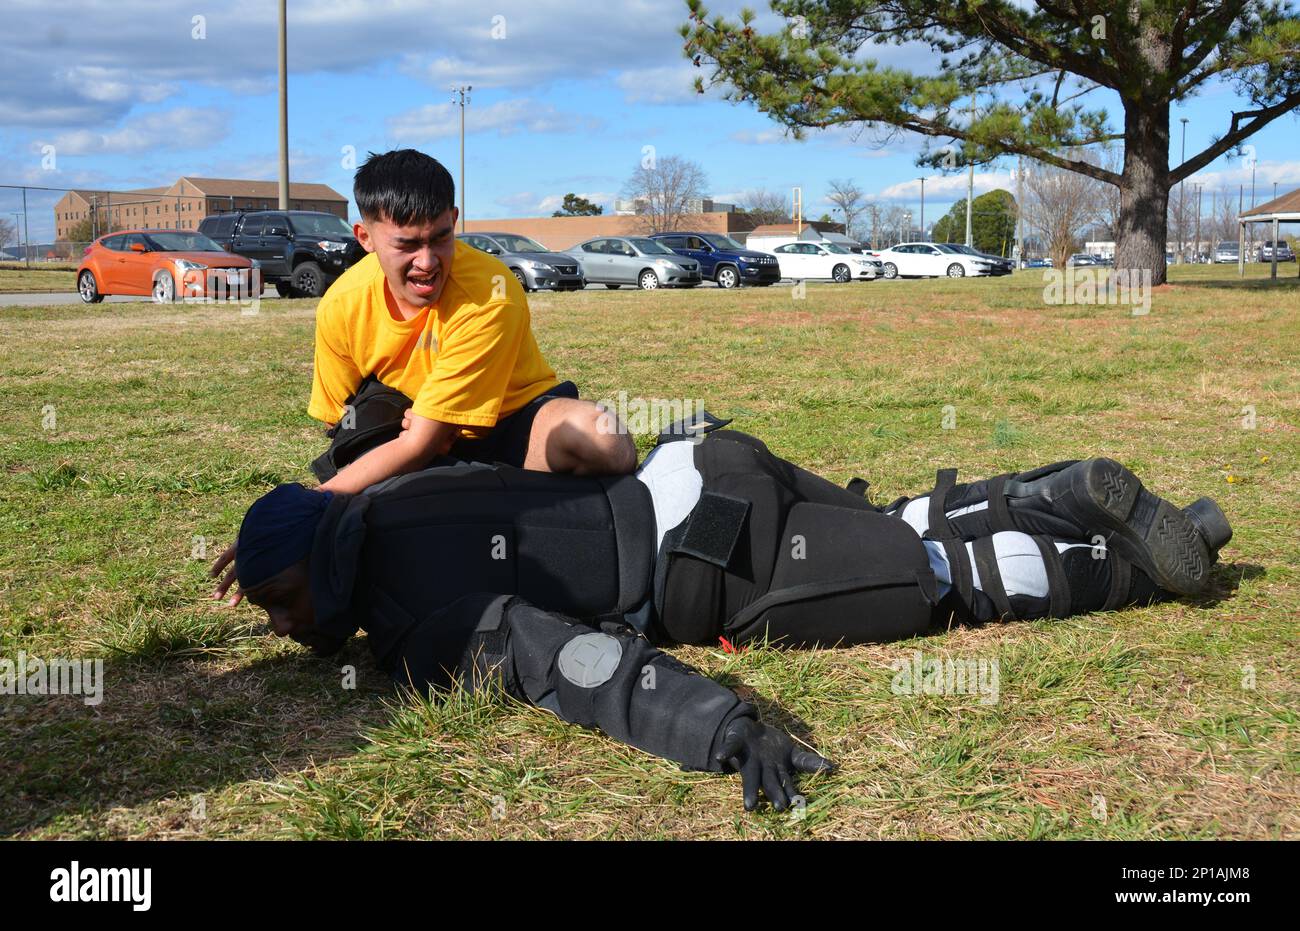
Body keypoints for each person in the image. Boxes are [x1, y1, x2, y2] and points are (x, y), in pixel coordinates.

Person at [229, 414, 1232, 811]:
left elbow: (573, 664)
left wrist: (721, 727)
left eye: (280, 602)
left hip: (721, 558)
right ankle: (1112, 510)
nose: (280, 625)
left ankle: (1136, 572)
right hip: (700, 459)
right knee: (897, 527)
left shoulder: (411, 626)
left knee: (940, 583)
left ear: (322, 563)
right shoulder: (392, 497)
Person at [210, 148, 636, 604]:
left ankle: (506, 503)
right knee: (377, 491)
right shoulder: (342, 305)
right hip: (412, 435)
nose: (428, 261)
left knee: (604, 438)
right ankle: (485, 500)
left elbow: (425, 440)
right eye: (407, 244)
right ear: (365, 236)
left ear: (455, 218)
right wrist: (292, 525)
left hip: (509, 420)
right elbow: (341, 429)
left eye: (440, 238)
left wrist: (315, 503)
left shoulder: (491, 290)